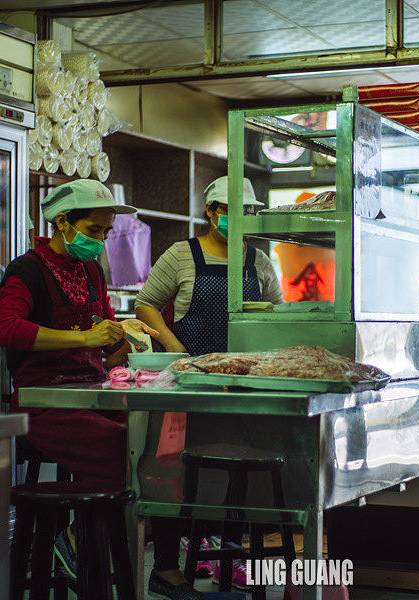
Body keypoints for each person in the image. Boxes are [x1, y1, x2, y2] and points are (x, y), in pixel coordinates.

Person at [0, 179, 216, 600]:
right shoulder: (26, 271)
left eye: (105, 232)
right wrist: (84, 337)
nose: (100, 241)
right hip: (43, 403)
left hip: (91, 391)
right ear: (63, 222)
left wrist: (124, 337)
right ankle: (75, 539)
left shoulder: (90, 271)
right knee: (123, 447)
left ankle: (153, 562)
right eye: (94, 230)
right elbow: (7, 327)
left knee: (162, 442)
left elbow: (103, 331)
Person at [135, 175, 282, 589]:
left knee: (234, 471)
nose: (238, 218)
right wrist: (173, 346)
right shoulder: (182, 254)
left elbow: (278, 313)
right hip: (189, 382)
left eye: (246, 211)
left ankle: (225, 558)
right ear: (210, 211)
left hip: (240, 385)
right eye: (229, 210)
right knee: (174, 472)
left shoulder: (258, 261)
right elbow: (146, 304)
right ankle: (166, 566)